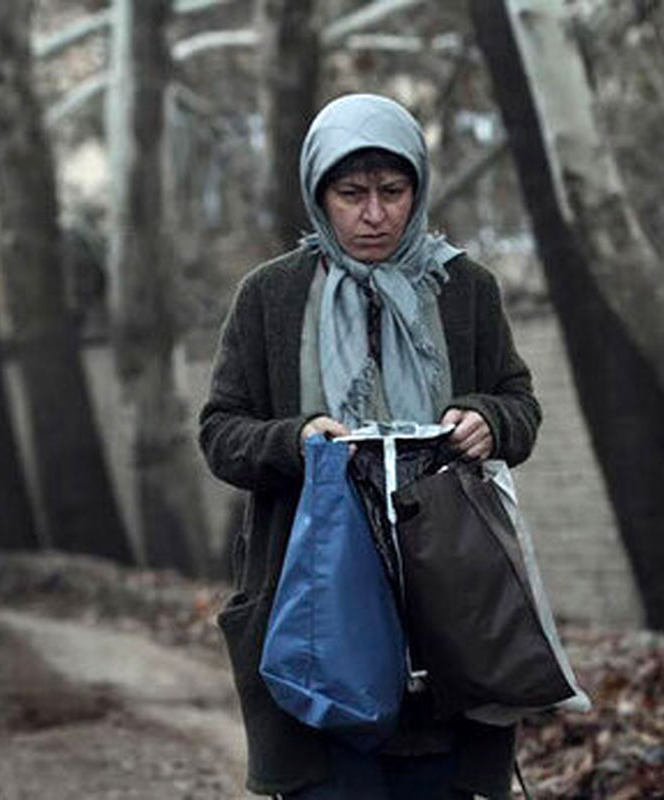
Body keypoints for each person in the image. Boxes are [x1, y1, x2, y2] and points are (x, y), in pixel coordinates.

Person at [198, 93, 541, 799]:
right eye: (351, 194)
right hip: (318, 605)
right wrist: (295, 439)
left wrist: (486, 421)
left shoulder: (465, 290)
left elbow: (519, 403)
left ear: (418, 188)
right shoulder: (271, 297)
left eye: (392, 191)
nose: (374, 214)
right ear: (319, 194)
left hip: (447, 609)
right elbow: (220, 432)